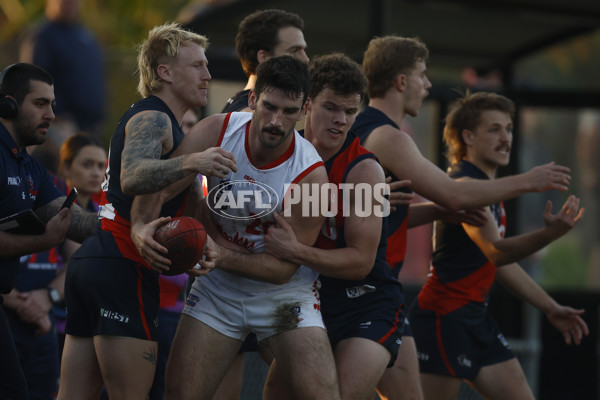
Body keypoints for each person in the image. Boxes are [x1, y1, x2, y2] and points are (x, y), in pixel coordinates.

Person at [348, 35, 573, 400]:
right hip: (388, 297)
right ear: (401, 81)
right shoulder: (393, 139)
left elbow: (389, 213)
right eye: (423, 74)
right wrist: (529, 182)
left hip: (395, 296)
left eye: (509, 129)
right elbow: (472, 219)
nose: (428, 84)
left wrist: (549, 306)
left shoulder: (371, 132)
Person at [131, 55, 340, 400]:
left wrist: (221, 255)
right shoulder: (219, 130)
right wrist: (140, 226)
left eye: (289, 111)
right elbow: (162, 182)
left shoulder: (311, 176)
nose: (276, 121)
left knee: (323, 396)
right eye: (269, 106)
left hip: (284, 297)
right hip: (218, 290)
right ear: (254, 99)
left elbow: (283, 270)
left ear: (304, 109)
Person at [57, 22, 236, 400]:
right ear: (164, 72)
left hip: (98, 261)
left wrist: (204, 236)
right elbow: (134, 175)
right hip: (121, 263)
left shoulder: (164, 122)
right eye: (197, 66)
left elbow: (170, 196)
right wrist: (192, 163)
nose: (207, 75)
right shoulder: (152, 117)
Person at [408, 91, 588, 400]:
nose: (505, 138)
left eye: (508, 129)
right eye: (494, 129)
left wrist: (551, 307)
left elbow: (497, 264)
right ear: (468, 137)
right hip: (444, 320)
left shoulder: (488, 191)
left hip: (476, 320)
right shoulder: (463, 185)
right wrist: (548, 233)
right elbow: (497, 251)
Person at [259, 53, 402, 399]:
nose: (341, 120)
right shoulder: (281, 150)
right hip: (307, 299)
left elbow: (360, 262)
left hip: (364, 302)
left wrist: (296, 251)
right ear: (307, 103)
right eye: (331, 108)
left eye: (350, 112)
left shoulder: (363, 170)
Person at [0, 62, 97, 400]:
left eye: (53, 104)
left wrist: (132, 227)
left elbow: (74, 219)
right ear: (8, 104)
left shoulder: (29, 166)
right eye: (40, 104)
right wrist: (43, 241)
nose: (52, 115)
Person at [20, 0, 106, 138]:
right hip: (61, 125)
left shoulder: (85, 36)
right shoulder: (42, 36)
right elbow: (32, 82)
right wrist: (55, 114)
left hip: (90, 126)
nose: (70, 4)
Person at [221, 9, 309, 113]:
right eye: (294, 51)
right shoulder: (248, 115)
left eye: (303, 50)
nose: (306, 59)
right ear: (264, 57)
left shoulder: (243, 106)